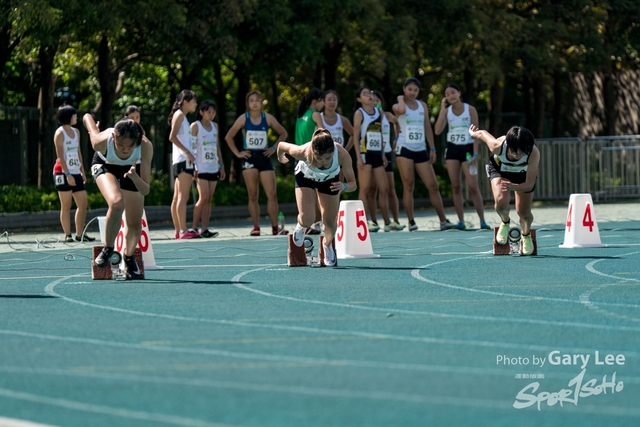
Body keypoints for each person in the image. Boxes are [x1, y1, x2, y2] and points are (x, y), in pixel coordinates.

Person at [83, 114, 153, 278]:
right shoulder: (101, 141)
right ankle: (108, 249)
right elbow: (86, 117)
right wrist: (93, 129)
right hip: (105, 165)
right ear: (113, 136)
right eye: (120, 145)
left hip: (132, 171)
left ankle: (128, 258)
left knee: (135, 224)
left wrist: (135, 177)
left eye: (130, 147)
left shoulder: (145, 146)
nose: (125, 150)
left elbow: (145, 190)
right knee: (117, 202)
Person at [277, 128, 357, 266]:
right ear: (313, 152)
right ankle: (301, 227)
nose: (323, 163)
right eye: (319, 158)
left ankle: (327, 246)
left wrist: (343, 186)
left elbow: (353, 184)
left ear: (333, 152)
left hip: (330, 181)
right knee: (308, 219)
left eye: (328, 158)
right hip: (305, 177)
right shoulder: (303, 152)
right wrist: (280, 157)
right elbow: (281, 146)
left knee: (330, 223)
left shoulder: (342, 154)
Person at [392, 77, 454, 231]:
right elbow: (400, 111)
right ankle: (411, 221)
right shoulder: (399, 105)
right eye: (409, 89)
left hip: (420, 149)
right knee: (409, 185)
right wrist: (400, 98)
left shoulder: (422, 106)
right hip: (404, 148)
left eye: (415, 90)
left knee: (433, 185)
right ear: (404, 89)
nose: (412, 93)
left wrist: (432, 148)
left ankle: (443, 220)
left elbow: (427, 126)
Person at [468, 124, 540, 255]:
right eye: (515, 151)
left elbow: (529, 184)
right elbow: (482, 134)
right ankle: (505, 221)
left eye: (522, 151)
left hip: (522, 175)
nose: (519, 155)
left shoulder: (533, 153)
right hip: (500, 170)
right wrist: (473, 134)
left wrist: (513, 186)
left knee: (523, 213)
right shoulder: (497, 146)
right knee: (501, 202)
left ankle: (526, 235)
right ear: (509, 145)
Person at [225, 91, 289, 236]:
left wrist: (274, 148)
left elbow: (283, 133)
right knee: (253, 194)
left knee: (272, 194)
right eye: (252, 100)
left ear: (261, 102)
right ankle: (256, 227)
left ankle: (275, 227)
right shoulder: (243, 118)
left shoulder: (267, 118)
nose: (255, 103)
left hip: (264, 156)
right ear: (248, 104)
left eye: (257, 100)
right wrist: (237, 153)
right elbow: (229, 136)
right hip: (249, 157)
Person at [434, 83, 489, 230]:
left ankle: (482, 221)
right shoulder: (447, 112)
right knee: (456, 186)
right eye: (447, 94)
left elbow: (477, 133)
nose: (450, 96)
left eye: (453, 92)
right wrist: (441, 109)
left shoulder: (470, 109)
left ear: (459, 93)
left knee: (473, 186)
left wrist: (475, 153)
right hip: (452, 150)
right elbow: (438, 130)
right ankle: (461, 221)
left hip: (468, 150)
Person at [52, 105, 95, 243]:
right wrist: (68, 174)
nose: (76, 117)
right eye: (74, 115)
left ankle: (80, 233)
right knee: (66, 204)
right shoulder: (59, 134)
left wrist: (82, 171)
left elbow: (78, 152)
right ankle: (67, 234)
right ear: (67, 117)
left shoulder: (76, 132)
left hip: (76, 170)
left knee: (82, 203)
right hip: (62, 172)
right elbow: (60, 156)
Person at [353, 86, 392, 232]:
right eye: (365, 94)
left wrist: (382, 153)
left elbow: (380, 132)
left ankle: (387, 223)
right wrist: (358, 158)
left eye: (370, 93)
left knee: (384, 188)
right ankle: (363, 222)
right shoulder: (359, 113)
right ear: (359, 99)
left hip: (377, 153)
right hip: (364, 154)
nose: (369, 95)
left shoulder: (378, 112)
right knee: (365, 188)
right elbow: (356, 136)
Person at [366, 90, 404, 231]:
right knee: (371, 189)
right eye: (372, 100)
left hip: (386, 154)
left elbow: (397, 123)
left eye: (378, 100)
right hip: (371, 154)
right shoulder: (367, 116)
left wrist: (396, 139)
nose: (375, 103)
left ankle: (394, 221)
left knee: (389, 189)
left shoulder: (386, 115)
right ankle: (373, 222)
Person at [191, 100, 225, 238]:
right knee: (203, 197)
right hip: (201, 166)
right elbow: (192, 147)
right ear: (201, 112)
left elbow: (217, 147)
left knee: (209, 198)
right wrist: (193, 166)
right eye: (208, 112)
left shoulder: (215, 126)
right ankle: (193, 228)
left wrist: (221, 165)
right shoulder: (196, 126)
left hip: (213, 166)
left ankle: (204, 229)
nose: (211, 115)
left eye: (213, 112)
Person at [168, 89, 199, 239]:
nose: (196, 104)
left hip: (180, 160)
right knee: (183, 196)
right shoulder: (180, 115)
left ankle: (178, 230)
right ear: (185, 102)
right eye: (193, 101)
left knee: (177, 197)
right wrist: (187, 153)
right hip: (183, 160)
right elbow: (172, 137)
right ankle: (183, 230)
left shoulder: (182, 117)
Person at [295, 87, 325, 235]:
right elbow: (322, 134)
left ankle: (305, 224)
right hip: (312, 156)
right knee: (318, 193)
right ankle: (317, 224)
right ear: (315, 102)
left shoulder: (301, 115)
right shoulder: (315, 114)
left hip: (299, 157)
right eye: (322, 101)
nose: (323, 104)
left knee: (306, 193)